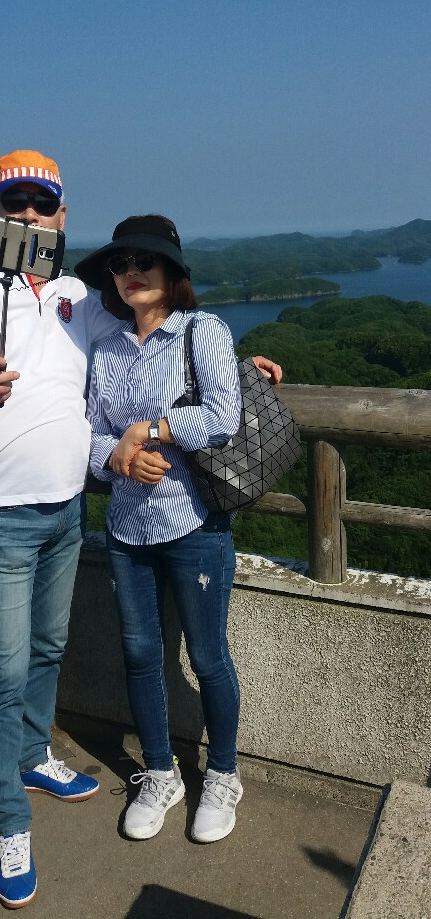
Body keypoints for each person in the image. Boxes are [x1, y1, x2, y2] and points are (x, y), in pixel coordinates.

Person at [0, 154, 280, 907]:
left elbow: (190, 377)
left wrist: (233, 372)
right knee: (29, 670)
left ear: (61, 217)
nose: (28, 215)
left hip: (100, 514)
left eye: (42, 204)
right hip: (40, 516)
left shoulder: (78, 300)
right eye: (14, 203)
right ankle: (34, 812)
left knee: (77, 650)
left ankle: (184, 770)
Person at [75, 215, 281, 845]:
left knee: (208, 655)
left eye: (145, 261)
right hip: (127, 528)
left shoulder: (202, 330)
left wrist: (150, 430)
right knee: (140, 655)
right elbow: (90, 433)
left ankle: (222, 774)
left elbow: (222, 419)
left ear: (172, 271)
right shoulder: (108, 349)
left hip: (194, 524)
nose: (131, 273)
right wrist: (118, 457)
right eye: (120, 264)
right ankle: (160, 773)